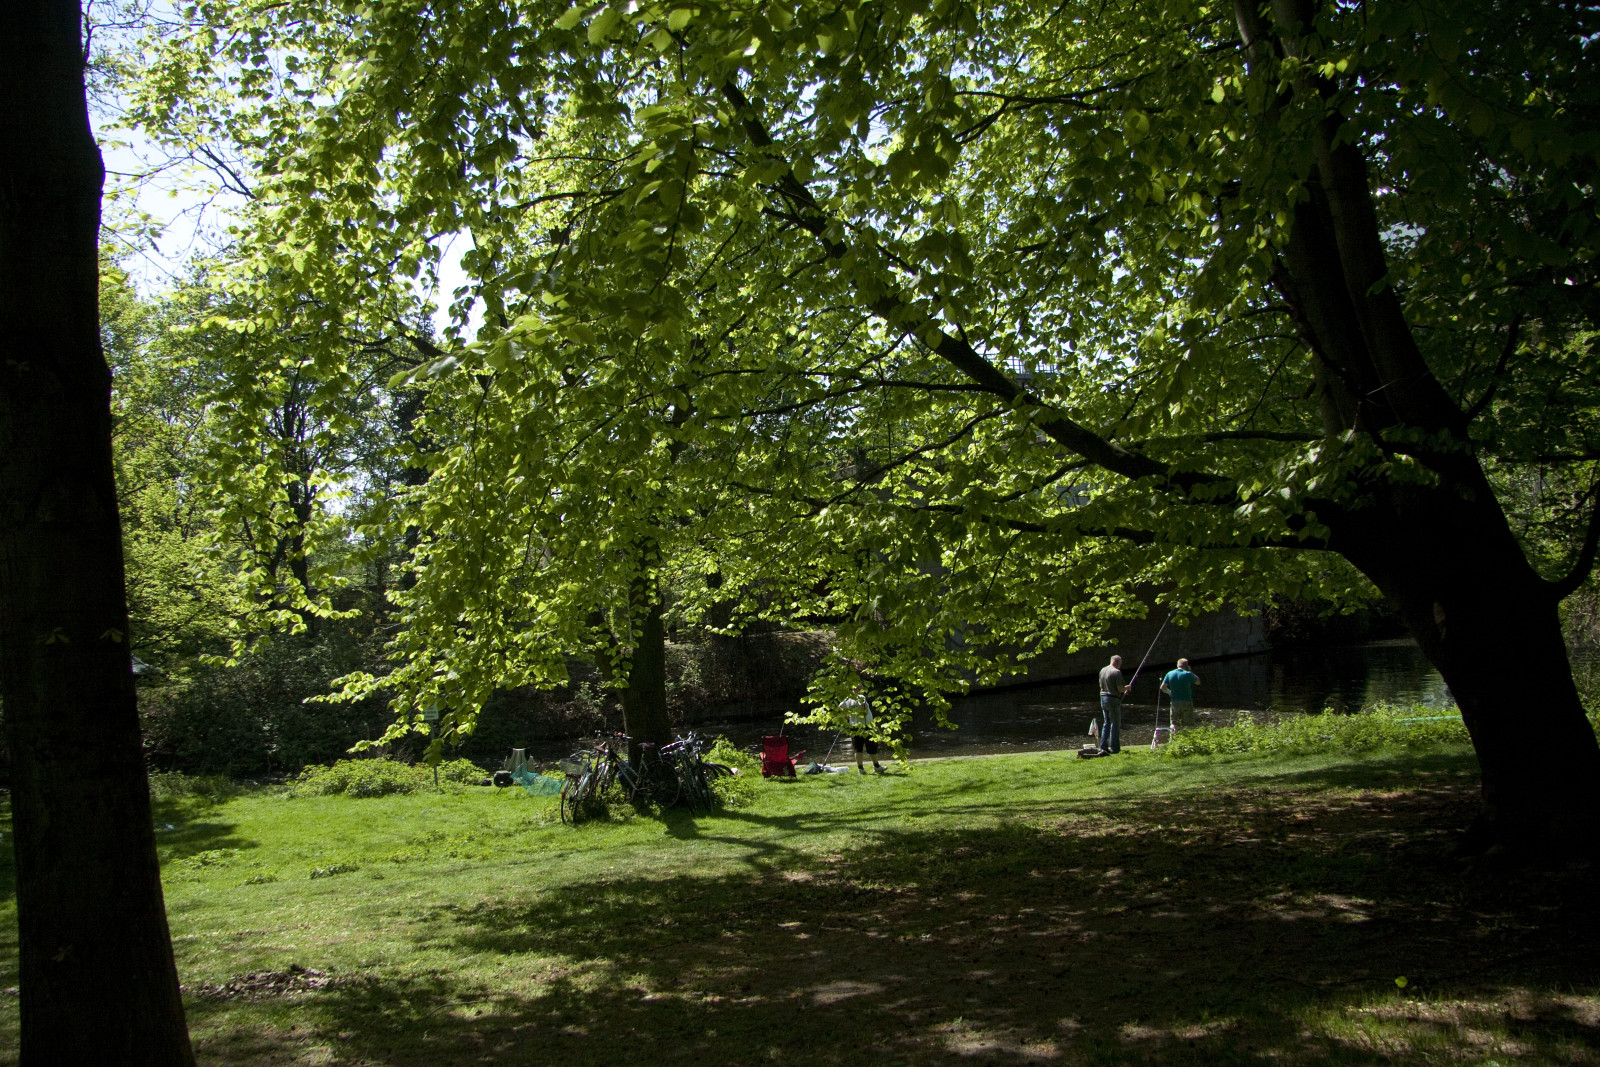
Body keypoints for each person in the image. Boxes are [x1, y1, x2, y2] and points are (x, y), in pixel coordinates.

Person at [841, 694, 885, 775]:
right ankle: (877, 767)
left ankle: (860, 769)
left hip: (854, 726)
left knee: (858, 748)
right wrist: (864, 715)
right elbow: (863, 706)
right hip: (865, 725)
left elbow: (840, 707)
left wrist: (847, 717)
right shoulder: (861, 696)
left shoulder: (848, 697)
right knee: (872, 746)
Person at [1096, 654, 1131, 755]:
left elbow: (1101, 685)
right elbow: (1120, 689)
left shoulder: (1103, 670)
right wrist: (1127, 688)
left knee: (1106, 723)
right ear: (1118, 662)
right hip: (1112, 699)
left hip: (1103, 698)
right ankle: (1115, 749)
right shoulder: (1116, 672)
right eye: (1120, 664)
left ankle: (1103, 747)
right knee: (1115, 724)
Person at [1160, 658, 1202, 728]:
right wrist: (1189, 671)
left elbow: (1162, 687)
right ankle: (1188, 735)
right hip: (1187, 701)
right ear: (1186, 666)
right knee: (1189, 723)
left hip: (1175, 701)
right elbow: (1198, 682)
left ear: (1177, 665)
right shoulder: (1188, 674)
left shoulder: (1170, 673)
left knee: (1174, 723)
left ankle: (1173, 734)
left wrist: (1169, 692)